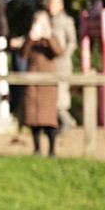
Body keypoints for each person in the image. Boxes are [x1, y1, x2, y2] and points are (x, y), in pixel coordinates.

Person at [20, 10, 64, 156]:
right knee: (34, 120)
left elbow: (59, 52)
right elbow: (22, 54)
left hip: (48, 85)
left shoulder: (52, 38)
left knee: (49, 120)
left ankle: (52, 150)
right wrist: (31, 39)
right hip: (32, 84)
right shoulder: (31, 40)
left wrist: (49, 36)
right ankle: (37, 149)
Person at [43, 0, 78, 134]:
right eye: (51, 3)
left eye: (56, 3)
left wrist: (64, 55)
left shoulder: (66, 21)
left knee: (61, 92)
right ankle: (64, 121)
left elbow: (72, 42)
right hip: (48, 63)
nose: (53, 6)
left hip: (61, 63)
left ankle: (66, 120)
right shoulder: (45, 20)